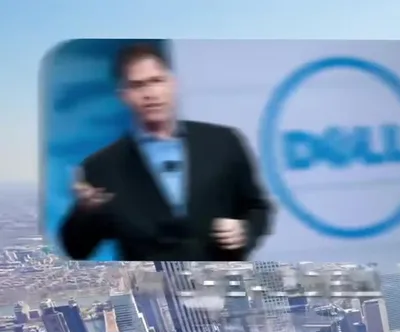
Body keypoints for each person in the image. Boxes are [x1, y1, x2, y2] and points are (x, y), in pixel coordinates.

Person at [58, 43, 272, 261]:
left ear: (173, 83)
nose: (150, 94)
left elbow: (257, 208)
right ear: (123, 95)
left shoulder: (223, 142)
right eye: (138, 85)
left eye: (157, 81)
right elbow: (76, 249)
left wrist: (245, 231)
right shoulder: (101, 167)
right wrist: (85, 212)